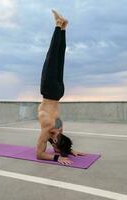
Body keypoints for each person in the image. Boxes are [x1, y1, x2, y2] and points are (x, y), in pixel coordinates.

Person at [37, 10, 85, 165]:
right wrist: (61, 155)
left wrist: (67, 152)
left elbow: (51, 145)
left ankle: (63, 27)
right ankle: (58, 24)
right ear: (56, 140)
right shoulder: (49, 128)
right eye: (56, 148)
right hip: (49, 90)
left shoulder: (58, 127)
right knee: (52, 57)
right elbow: (40, 153)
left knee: (59, 58)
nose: (55, 150)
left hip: (59, 92)